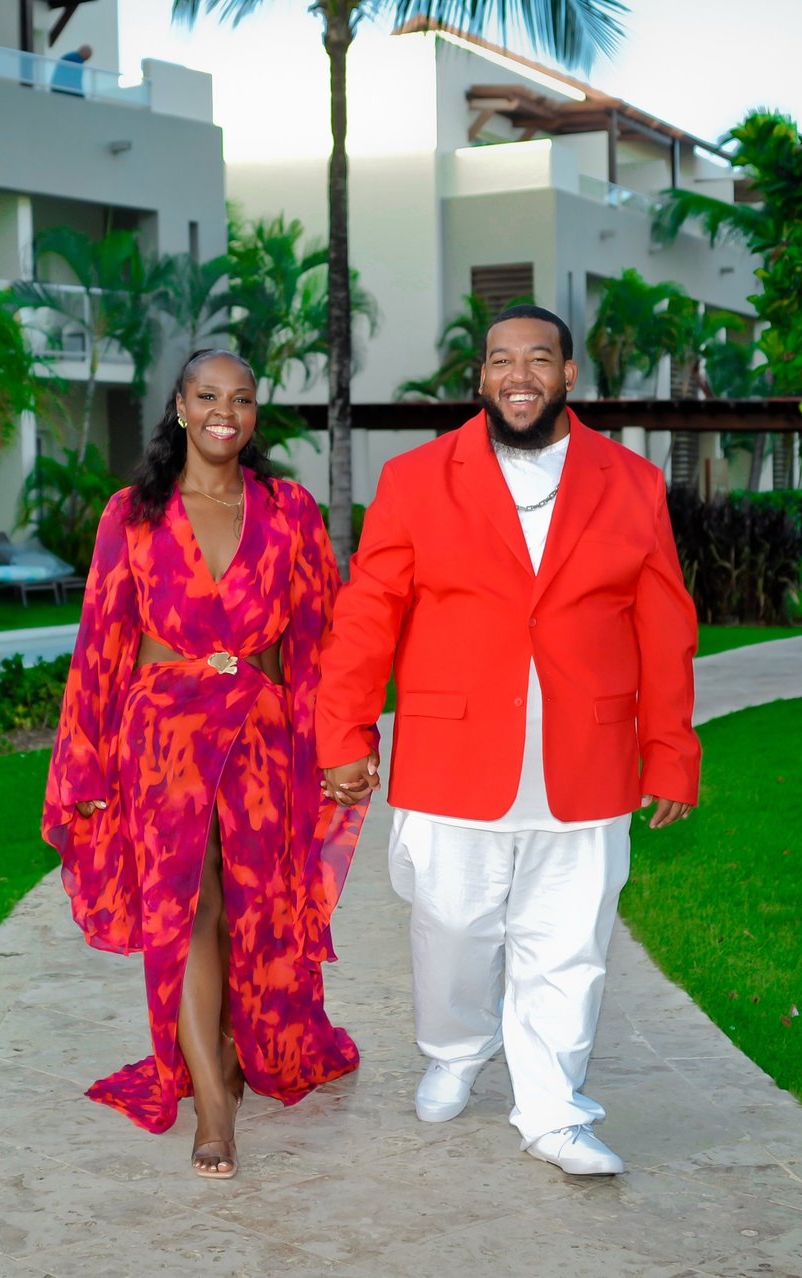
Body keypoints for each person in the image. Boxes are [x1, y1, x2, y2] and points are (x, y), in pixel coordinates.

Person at [317, 304, 701, 1176]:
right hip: (453, 758)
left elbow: (664, 628)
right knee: (450, 930)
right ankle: (455, 1050)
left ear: (569, 375)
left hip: (588, 760)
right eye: (500, 361)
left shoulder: (631, 481)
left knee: (567, 945)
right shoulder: (418, 478)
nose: (517, 375)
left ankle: (555, 1109)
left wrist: (671, 750)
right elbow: (367, 615)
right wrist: (342, 731)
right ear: (481, 378)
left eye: (537, 359)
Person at [43, 349, 370, 1180]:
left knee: (249, 908)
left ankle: (225, 1053)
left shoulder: (289, 509)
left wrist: (340, 746)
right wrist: (84, 767)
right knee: (187, 904)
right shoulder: (135, 513)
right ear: (180, 407)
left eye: (243, 399)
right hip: (163, 738)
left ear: (255, 414)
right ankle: (212, 1110)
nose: (226, 411)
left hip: (260, 736)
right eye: (208, 396)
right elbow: (100, 644)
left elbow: (320, 642)